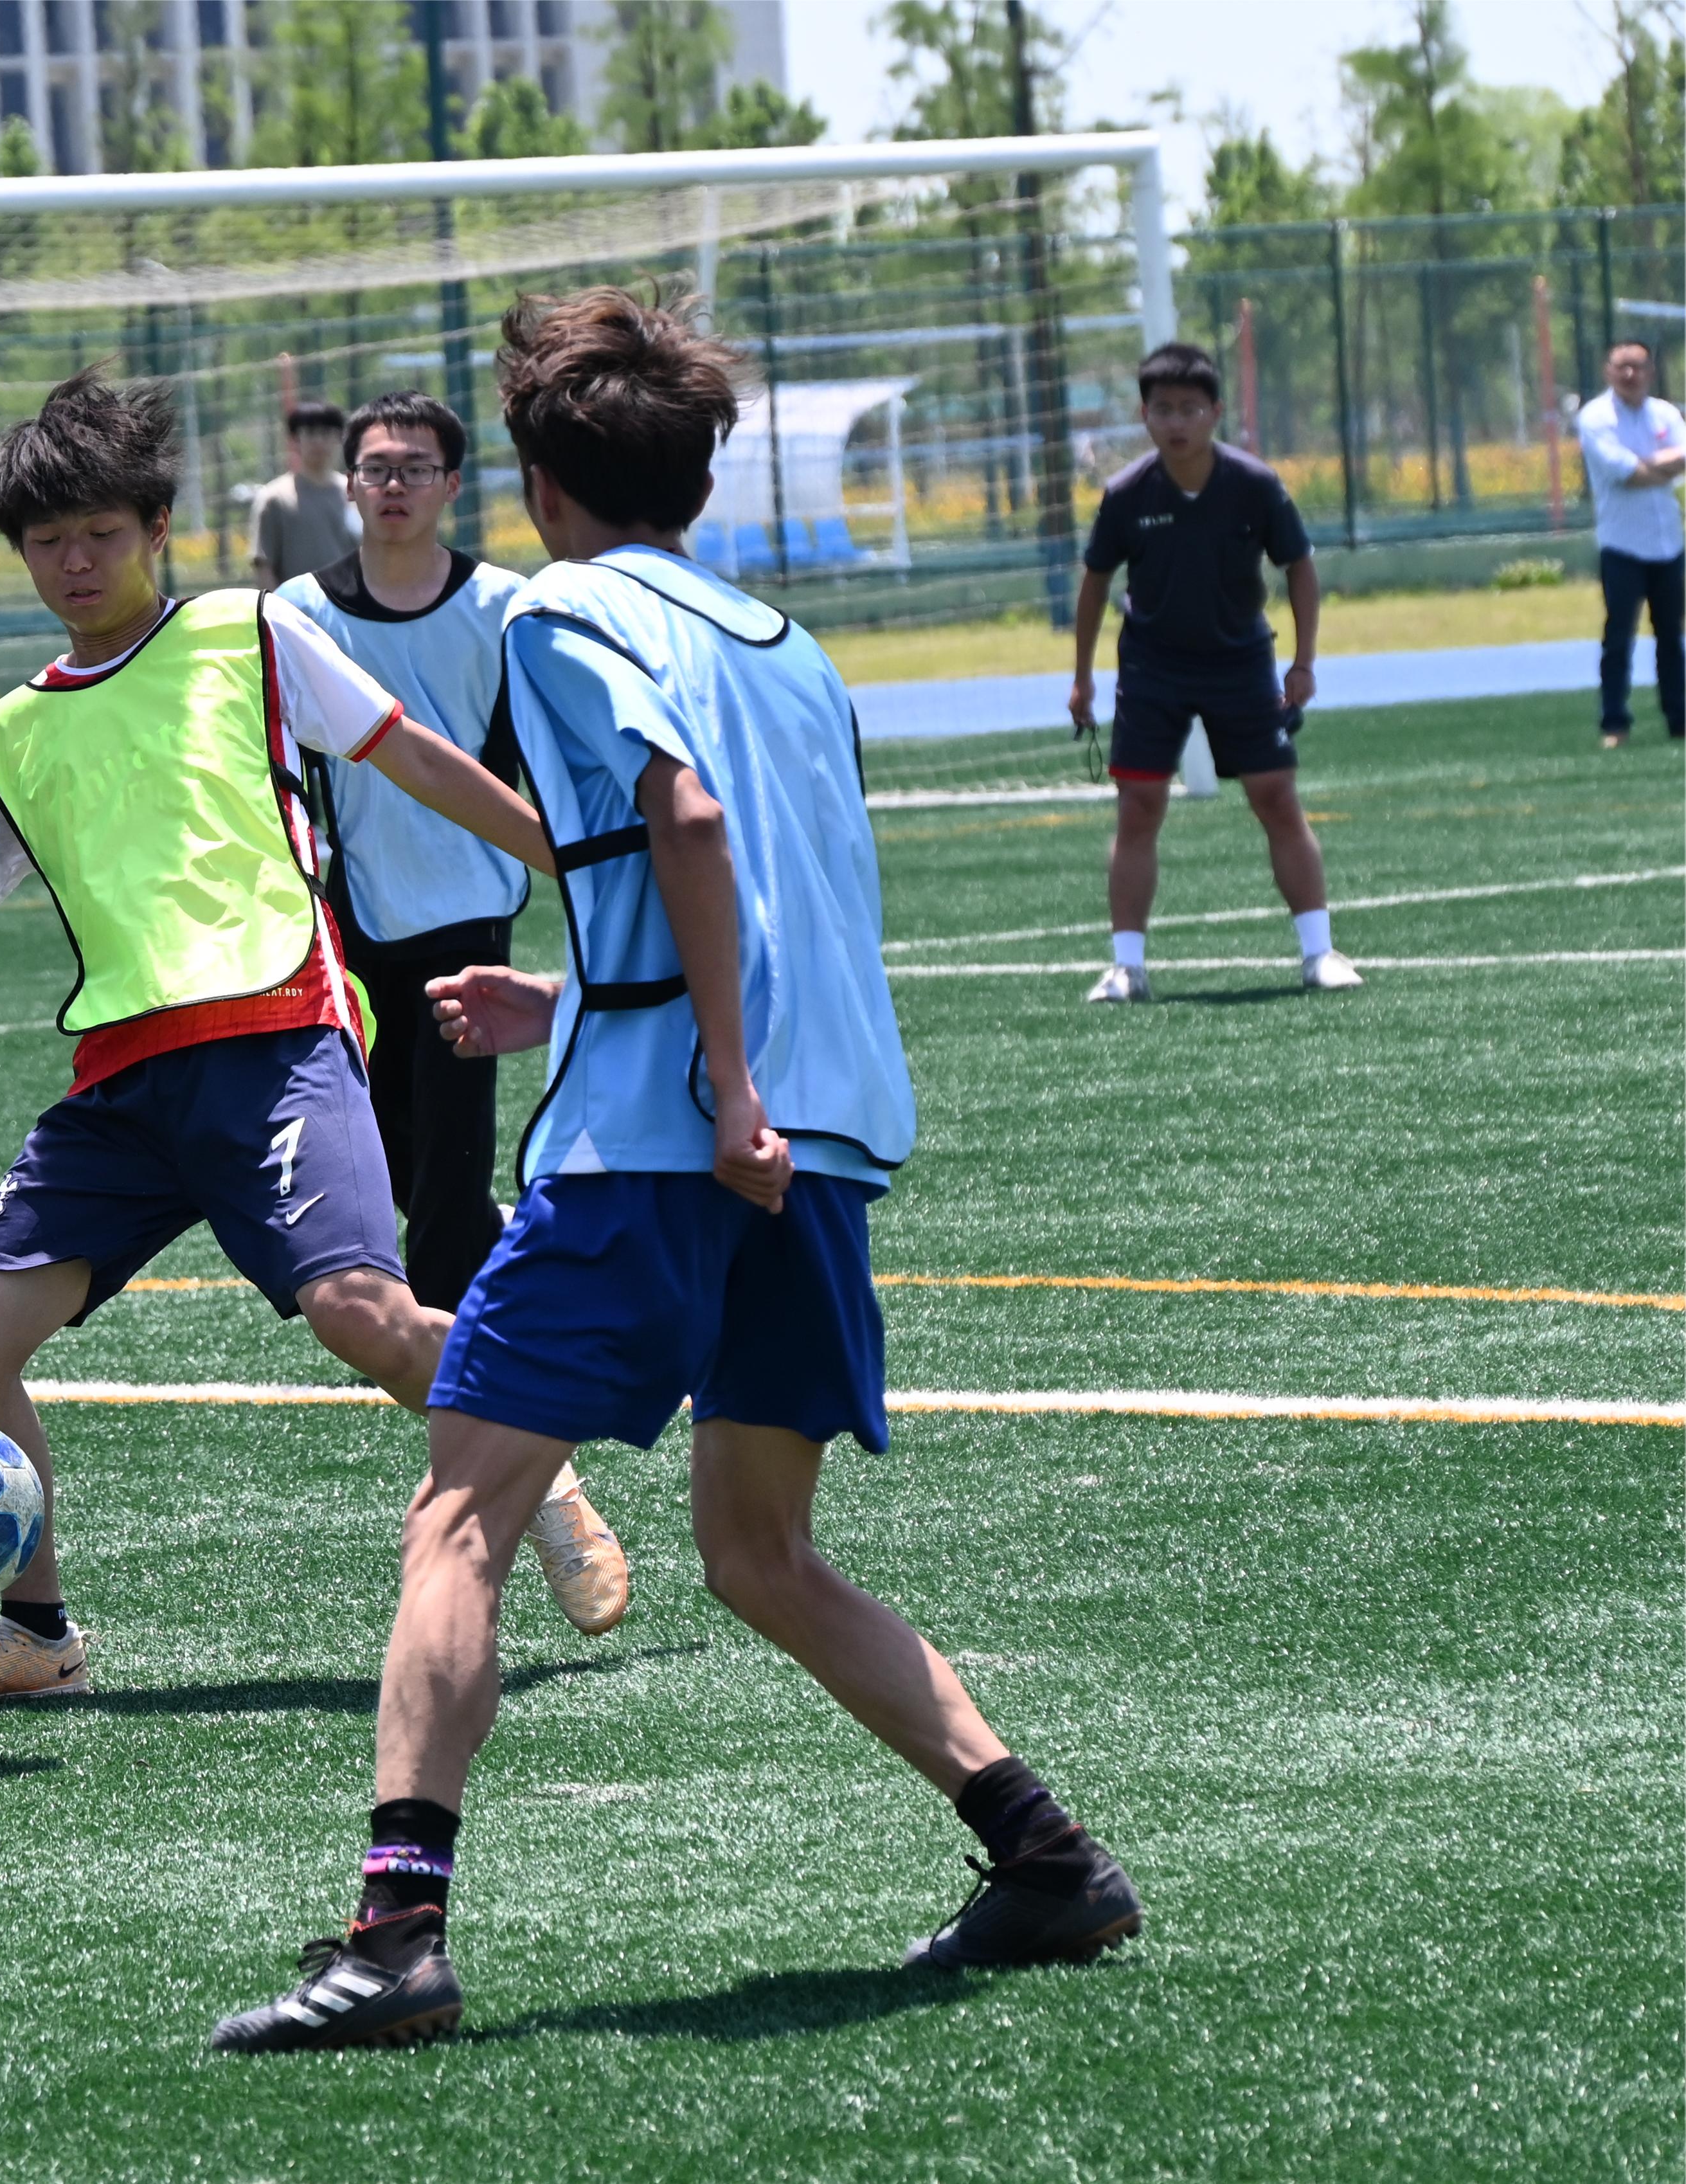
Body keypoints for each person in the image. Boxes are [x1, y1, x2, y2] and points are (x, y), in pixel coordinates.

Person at [209, 291, 1143, 2053]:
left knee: (459, 1512)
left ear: (542, 484)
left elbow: (683, 822)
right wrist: (586, 1001)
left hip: (664, 1140)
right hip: (818, 1137)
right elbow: (775, 891)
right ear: (697, 478)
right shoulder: (787, 642)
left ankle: (394, 1939)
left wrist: (711, 1082)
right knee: (758, 1550)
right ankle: (1045, 1853)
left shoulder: (558, 612)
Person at [0, 368, 622, 1711]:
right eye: (46, 541)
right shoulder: (9, 733)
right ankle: (36, 1635)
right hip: (123, 1082)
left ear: (157, 528)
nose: (74, 562)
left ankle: (541, 1460)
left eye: (100, 534)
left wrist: (575, 866)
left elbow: (412, 756)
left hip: (277, 1038)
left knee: (359, 1313)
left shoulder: (250, 633)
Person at [273, 393, 620, 1639]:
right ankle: (556, 1312)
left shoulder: (507, 609)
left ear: (451, 486)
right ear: (346, 485)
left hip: (469, 928)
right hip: (346, 939)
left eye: (414, 467)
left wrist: (591, 873)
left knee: (437, 1223)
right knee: (406, 1197)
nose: (391, 484)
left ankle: (535, 1478)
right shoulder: (293, 615)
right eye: (373, 467)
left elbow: (556, 760)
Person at [1068, 342, 1358, 1003]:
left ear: (1216, 412)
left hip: (1240, 663)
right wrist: (1081, 677)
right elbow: (1095, 582)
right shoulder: (1126, 493)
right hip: (1152, 668)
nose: (1177, 422)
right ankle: (1127, 968)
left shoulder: (1254, 484)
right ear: (1144, 415)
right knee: (1138, 807)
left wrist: (1303, 662)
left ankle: (1320, 952)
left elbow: (1299, 567)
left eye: (1190, 409)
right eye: (1163, 409)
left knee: (1276, 797)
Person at [1577, 338, 1685, 749]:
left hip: (1668, 544)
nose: (1629, 374)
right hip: (1622, 546)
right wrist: (1660, 467)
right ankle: (1615, 724)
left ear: (1650, 372)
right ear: (1608, 371)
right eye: (1621, 366)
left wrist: (1646, 466)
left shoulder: (1665, 414)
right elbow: (1625, 474)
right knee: (1619, 638)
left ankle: (1679, 720)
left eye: (1637, 366)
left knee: (1671, 638)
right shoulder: (1596, 418)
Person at [249, 399, 357, 590]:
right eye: (311, 433)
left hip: (351, 605)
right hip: (294, 607)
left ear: (340, 437)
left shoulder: (355, 493)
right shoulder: (275, 498)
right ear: (295, 440)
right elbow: (264, 566)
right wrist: (275, 607)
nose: (319, 441)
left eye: (326, 433)